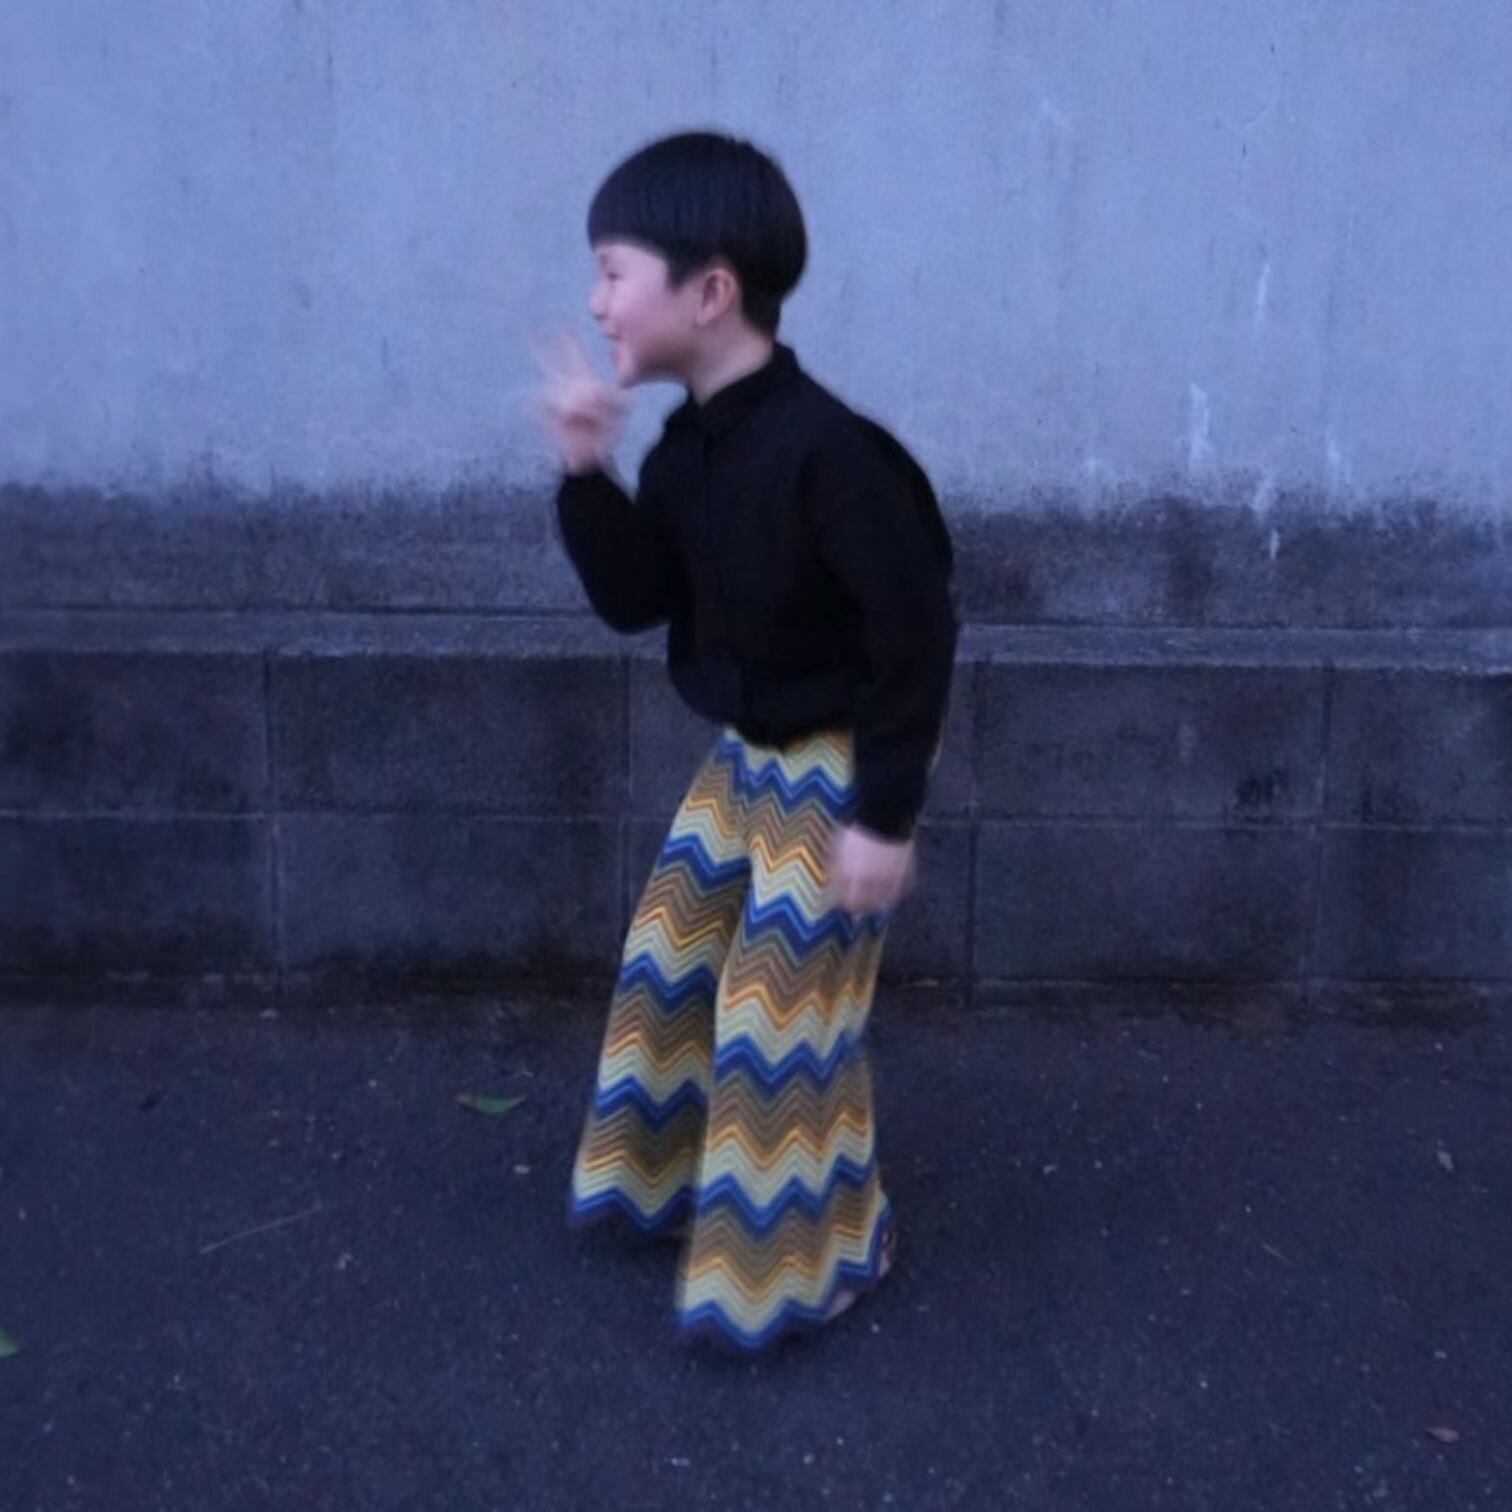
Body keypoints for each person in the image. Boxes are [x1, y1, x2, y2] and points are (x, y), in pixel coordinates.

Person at [536, 130, 957, 1350]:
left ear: (709, 290)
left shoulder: (836, 457)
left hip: (846, 765)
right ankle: (675, 1183)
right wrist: (586, 471)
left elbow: (916, 638)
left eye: (614, 270)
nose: (597, 300)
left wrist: (884, 819)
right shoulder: (688, 451)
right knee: (669, 958)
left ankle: (834, 1246)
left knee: (781, 1016)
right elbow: (639, 598)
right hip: (749, 762)